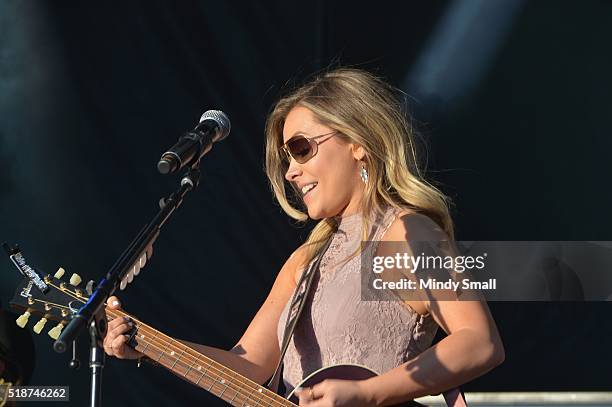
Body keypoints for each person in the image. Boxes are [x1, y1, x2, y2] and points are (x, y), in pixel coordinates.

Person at [104, 68, 504, 406]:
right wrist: (147, 345)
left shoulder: (406, 231)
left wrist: (366, 393)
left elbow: (479, 341)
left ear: (358, 144)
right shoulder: (305, 259)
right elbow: (246, 365)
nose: (291, 171)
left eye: (301, 148)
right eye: (286, 157)